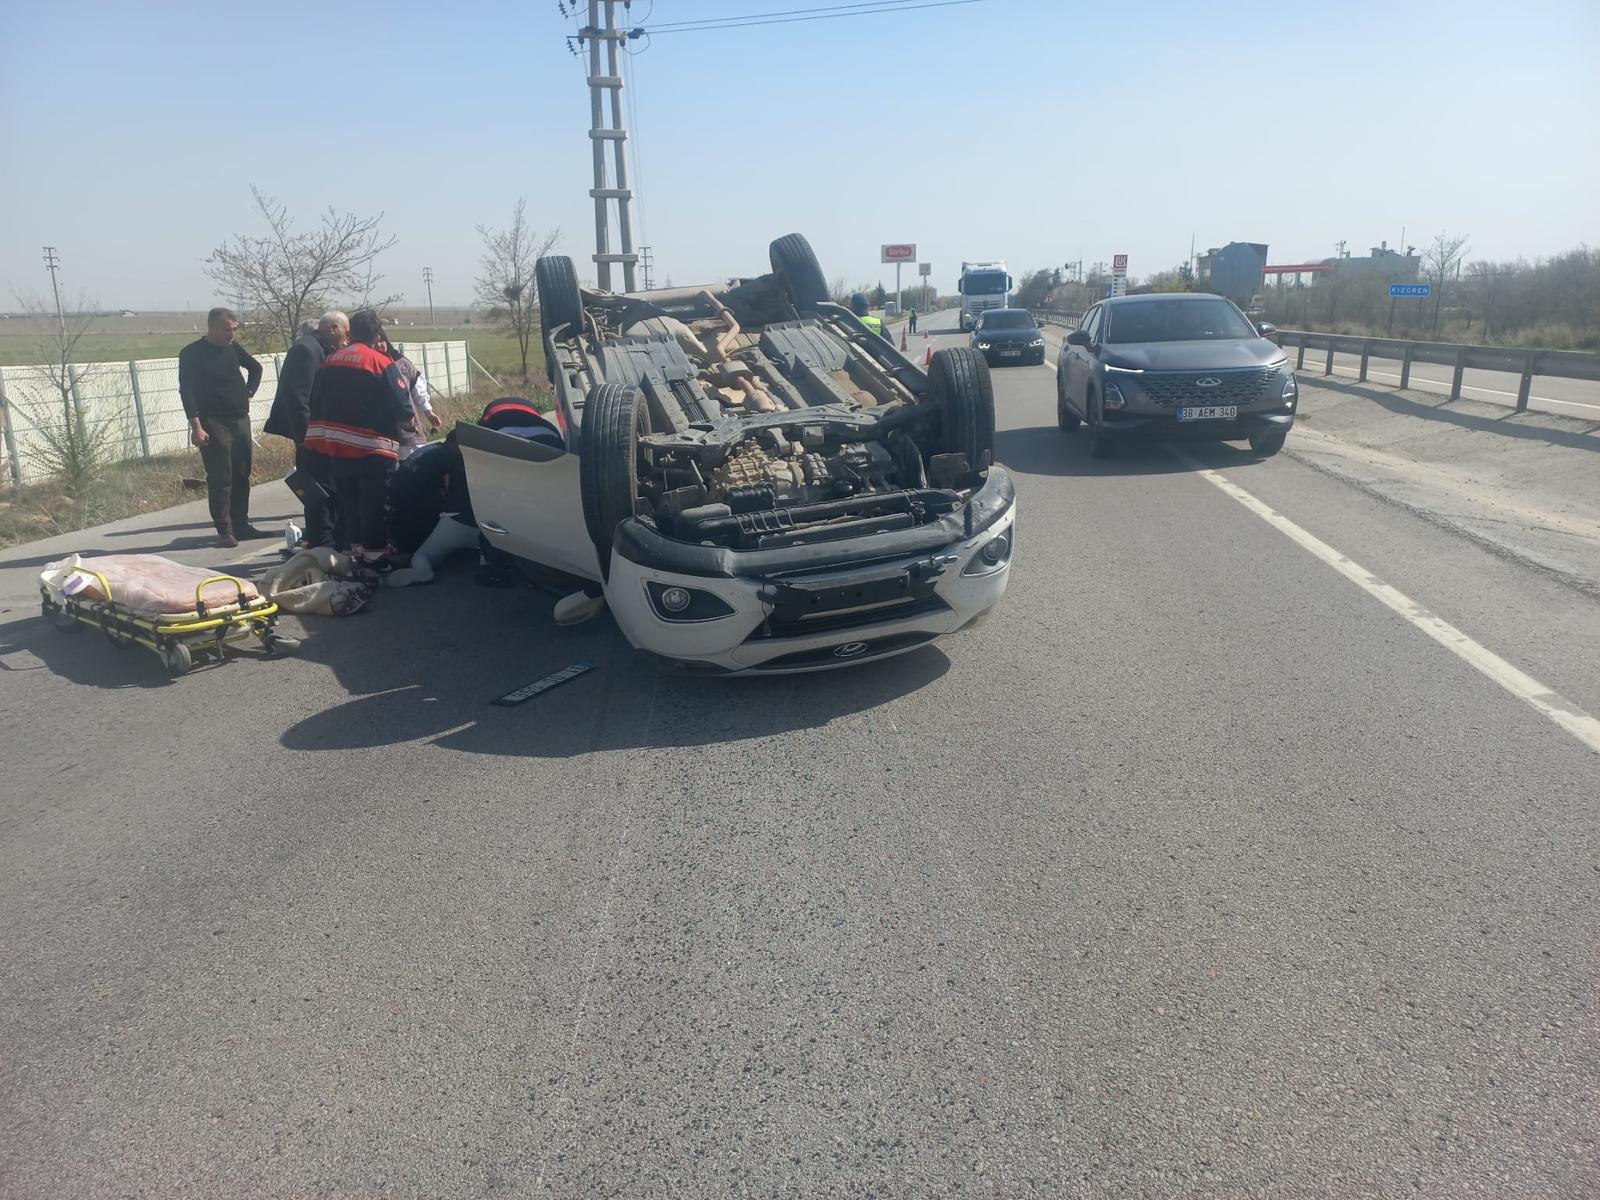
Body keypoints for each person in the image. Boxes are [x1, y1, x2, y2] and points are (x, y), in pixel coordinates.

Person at [303, 311, 417, 564]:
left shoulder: (330, 360)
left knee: (350, 503)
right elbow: (403, 408)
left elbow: (315, 400)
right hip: (373, 448)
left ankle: (354, 556)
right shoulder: (380, 362)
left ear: (350, 332)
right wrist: (407, 424)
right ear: (376, 335)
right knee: (375, 505)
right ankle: (376, 559)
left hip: (338, 448)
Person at [178, 307, 265, 548]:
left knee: (241, 473)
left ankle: (241, 525)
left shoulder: (233, 349)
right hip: (212, 422)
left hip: (239, 419)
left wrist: (248, 392)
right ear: (212, 326)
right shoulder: (192, 353)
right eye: (227, 329)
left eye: (234, 330)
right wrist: (196, 426)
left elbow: (256, 368)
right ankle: (224, 529)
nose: (231, 334)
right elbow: (186, 391)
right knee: (221, 477)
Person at [265, 311, 349, 547]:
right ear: (332, 328)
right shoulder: (306, 349)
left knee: (328, 489)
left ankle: (329, 539)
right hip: (311, 437)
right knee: (317, 492)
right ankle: (321, 542)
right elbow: (297, 397)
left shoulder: (322, 348)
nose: (347, 337)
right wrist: (305, 437)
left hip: (321, 434)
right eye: (345, 330)